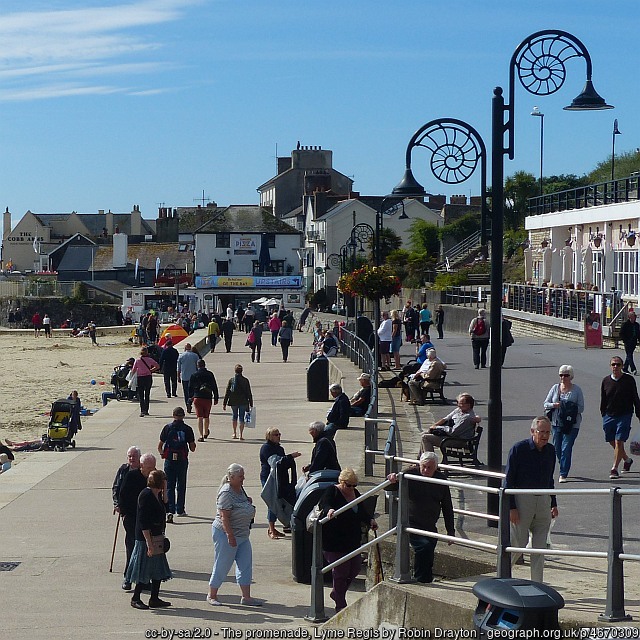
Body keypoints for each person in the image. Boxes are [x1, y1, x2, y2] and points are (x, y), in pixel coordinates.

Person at [504, 416, 558, 583]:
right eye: (541, 432)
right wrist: (511, 507)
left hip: (543, 501)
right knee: (518, 544)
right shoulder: (518, 449)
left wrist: (554, 503)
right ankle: (501, 578)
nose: (545, 436)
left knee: (540, 549)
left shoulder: (550, 450)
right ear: (532, 431)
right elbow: (508, 480)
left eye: (548, 432)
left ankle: (538, 584)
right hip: (522, 500)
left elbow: (550, 478)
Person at [387, 451, 455, 583]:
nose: (426, 470)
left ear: (436, 468)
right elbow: (390, 486)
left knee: (429, 550)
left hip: (429, 524)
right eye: (423, 466)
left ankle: (426, 578)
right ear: (419, 464)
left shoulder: (440, 480)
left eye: (430, 467)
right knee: (424, 547)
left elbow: (447, 506)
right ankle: (421, 579)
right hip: (411, 522)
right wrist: (391, 479)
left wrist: (450, 531)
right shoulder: (410, 474)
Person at [318, 468, 377, 613]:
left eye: (354, 485)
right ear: (341, 482)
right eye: (349, 485)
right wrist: (330, 510)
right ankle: (340, 604)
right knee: (340, 571)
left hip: (352, 539)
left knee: (356, 568)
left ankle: (337, 593)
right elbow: (325, 504)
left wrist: (370, 520)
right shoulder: (332, 491)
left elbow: (361, 510)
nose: (352, 488)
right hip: (334, 541)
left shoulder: (354, 493)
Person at [207, 463, 261, 607]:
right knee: (222, 564)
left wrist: (248, 503)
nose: (243, 479)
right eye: (240, 476)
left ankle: (246, 597)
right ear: (231, 477)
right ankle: (212, 595)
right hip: (226, 534)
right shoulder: (226, 492)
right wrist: (230, 536)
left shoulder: (240, 489)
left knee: (245, 564)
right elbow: (224, 517)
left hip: (243, 534)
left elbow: (242, 504)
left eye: (243, 476)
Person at [126, 469, 172, 609]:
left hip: (157, 537)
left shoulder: (157, 495)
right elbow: (143, 522)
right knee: (143, 569)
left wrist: (164, 493)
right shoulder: (146, 495)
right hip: (146, 539)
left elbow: (166, 506)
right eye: (164, 481)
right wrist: (149, 544)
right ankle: (136, 598)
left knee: (157, 569)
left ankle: (154, 598)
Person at [116, 451, 155, 591]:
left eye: (153, 467)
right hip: (132, 519)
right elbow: (122, 495)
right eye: (149, 468)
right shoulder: (131, 476)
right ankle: (128, 578)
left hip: (146, 520)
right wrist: (124, 513)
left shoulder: (154, 478)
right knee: (133, 548)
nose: (152, 470)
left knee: (145, 550)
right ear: (141, 465)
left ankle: (143, 580)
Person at [600, 355, 640, 479]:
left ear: (622, 366)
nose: (616, 367)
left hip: (625, 414)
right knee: (611, 440)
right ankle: (627, 460)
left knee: (619, 441)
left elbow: (635, 397)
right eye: (613, 364)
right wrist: (603, 413)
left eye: (618, 364)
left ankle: (614, 468)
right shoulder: (606, 380)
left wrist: (639, 413)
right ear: (610, 366)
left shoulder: (629, 380)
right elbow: (603, 399)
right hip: (609, 415)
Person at [543, 365, 585, 483]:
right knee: (557, 448)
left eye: (566, 375)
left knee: (566, 448)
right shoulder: (555, 388)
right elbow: (545, 403)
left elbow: (581, 408)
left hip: (572, 424)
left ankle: (563, 473)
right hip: (556, 423)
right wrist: (554, 405)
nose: (563, 377)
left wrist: (569, 407)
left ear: (570, 376)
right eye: (561, 375)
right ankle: (563, 463)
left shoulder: (576, 390)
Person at [259, 428, 301, 539]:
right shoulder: (266, 448)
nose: (278, 436)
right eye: (276, 434)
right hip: (269, 479)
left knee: (281, 502)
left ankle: (284, 524)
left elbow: (283, 463)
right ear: (269, 436)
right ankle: (271, 529)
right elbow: (275, 463)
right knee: (273, 503)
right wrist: (290, 457)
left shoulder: (280, 448)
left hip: (281, 478)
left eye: (279, 434)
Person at [158, 407, 196, 522]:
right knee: (181, 485)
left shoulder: (167, 428)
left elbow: (159, 446)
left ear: (173, 415)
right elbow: (192, 447)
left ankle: (170, 509)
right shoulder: (187, 429)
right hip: (182, 460)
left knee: (169, 485)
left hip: (169, 460)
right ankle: (180, 509)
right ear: (183, 416)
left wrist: (162, 454)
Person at [189, 359, 219, 441]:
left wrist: (190, 397)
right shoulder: (210, 374)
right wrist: (216, 397)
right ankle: (206, 432)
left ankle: (201, 435)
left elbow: (190, 387)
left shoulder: (194, 375)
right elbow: (214, 386)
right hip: (207, 397)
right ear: (204, 365)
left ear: (197, 366)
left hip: (197, 397)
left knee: (199, 417)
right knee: (206, 416)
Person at [223, 364, 253, 440]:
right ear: (242, 371)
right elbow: (248, 392)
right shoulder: (245, 380)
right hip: (243, 401)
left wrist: (224, 403)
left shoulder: (232, 380)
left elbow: (227, 392)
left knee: (234, 416)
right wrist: (251, 403)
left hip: (233, 401)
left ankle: (234, 433)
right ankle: (241, 435)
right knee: (241, 417)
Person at [130, 347, 160, 417]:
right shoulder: (150, 360)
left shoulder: (137, 360)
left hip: (140, 378)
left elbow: (133, 370)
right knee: (147, 394)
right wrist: (151, 370)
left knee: (141, 395)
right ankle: (146, 410)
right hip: (148, 377)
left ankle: (142, 410)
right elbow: (157, 366)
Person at [177, 343, 199, 413]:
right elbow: (198, 366)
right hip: (194, 377)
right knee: (194, 391)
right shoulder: (195, 355)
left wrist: (178, 377)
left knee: (186, 392)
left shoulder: (181, 356)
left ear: (185, 348)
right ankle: (191, 402)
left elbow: (178, 368)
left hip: (184, 377)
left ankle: (187, 404)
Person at [620, 310, 640, 374]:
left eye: (635, 316)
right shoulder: (625, 324)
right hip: (627, 342)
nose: (634, 318)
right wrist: (625, 340)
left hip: (633, 342)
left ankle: (625, 368)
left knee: (629, 355)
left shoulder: (636, 325)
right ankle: (633, 369)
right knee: (629, 355)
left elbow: (638, 334)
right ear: (629, 317)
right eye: (633, 316)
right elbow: (621, 333)